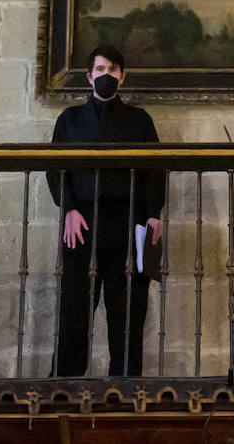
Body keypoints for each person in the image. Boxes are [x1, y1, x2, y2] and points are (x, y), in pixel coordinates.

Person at [48, 45, 166, 376]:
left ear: (122, 76)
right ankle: (66, 387)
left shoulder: (140, 120)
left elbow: (155, 171)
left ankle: (125, 390)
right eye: (100, 70)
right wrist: (69, 209)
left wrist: (154, 213)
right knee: (75, 312)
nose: (106, 76)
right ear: (89, 77)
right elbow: (56, 171)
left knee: (127, 314)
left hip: (128, 226)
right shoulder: (69, 121)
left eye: (113, 70)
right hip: (81, 226)